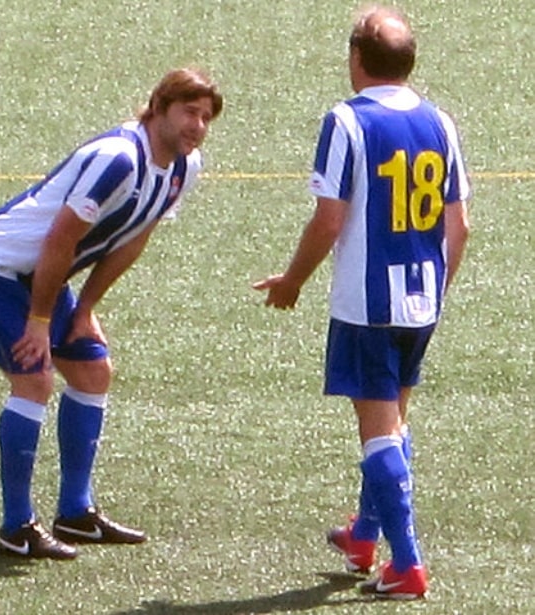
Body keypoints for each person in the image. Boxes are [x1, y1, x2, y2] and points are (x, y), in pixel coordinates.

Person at [0, 68, 223, 560]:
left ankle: (75, 513)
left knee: (94, 372)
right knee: (34, 378)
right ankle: (16, 526)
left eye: (206, 118)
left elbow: (134, 237)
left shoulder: (184, 167)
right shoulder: (117, 158)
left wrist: (87, 308)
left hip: (40, 277)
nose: (198, 126)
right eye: (189, 113)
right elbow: (61, 237)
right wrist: (39, 321)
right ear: (159, 107)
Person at [253, 6, 470, 600]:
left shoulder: (347, 121)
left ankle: (407, 564)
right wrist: (433, 292)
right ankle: (364, 535)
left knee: (377, 431)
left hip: (367, 305)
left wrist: (293, 279)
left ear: (355, 59)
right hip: (422, 301)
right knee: (394, 422)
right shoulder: (440, 122)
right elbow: (461, 226)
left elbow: (329, 220)